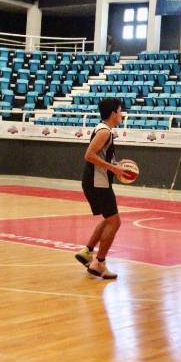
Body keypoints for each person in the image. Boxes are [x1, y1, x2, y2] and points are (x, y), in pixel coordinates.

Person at [74, 98, 127, 280]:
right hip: (98, 183)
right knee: (115, 222)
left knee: (109, 219)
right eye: (120, 111)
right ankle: (99, 263)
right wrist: (112, 168)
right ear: (113, 113)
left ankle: (87, 251)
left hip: (96, 181)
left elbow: (100, 156)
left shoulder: (104, 129)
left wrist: (115, 164)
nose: (122, 114)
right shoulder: (105, 132)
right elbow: (89, 155)